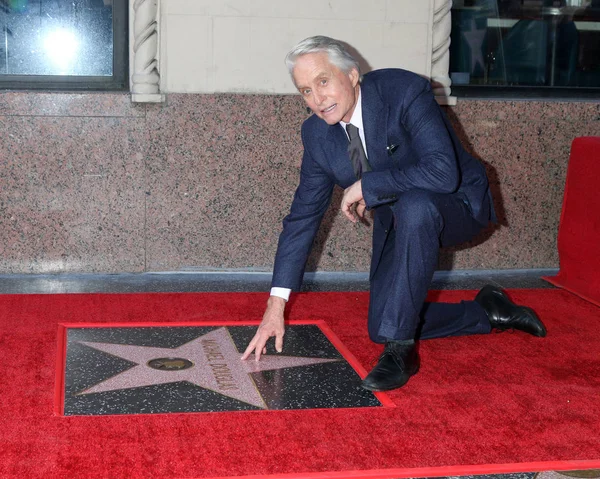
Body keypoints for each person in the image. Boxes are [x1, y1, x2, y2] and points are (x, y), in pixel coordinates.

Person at [241, 36, 547, 391]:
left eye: (323, 82)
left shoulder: (402, 91)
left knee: (415, 209)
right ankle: (487, 310)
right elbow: (301, 220)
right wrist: (275, 307)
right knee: (381, 324)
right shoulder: (317, 136)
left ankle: (402, 351)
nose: (317, 99)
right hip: (400, 219)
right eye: (305, 91)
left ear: (353, 75)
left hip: (457, 203)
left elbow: (443, 172)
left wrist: (366, 187)